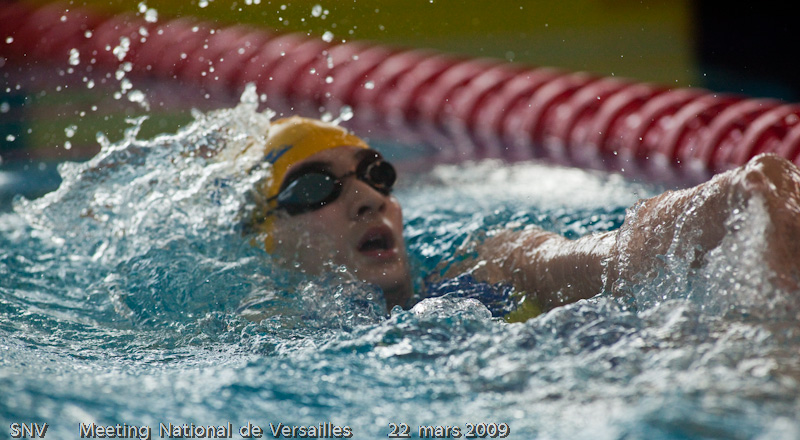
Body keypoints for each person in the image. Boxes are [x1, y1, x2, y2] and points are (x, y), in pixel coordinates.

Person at [239, 116, 800, 319]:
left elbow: (615, 256)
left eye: (376, 174)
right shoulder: (265, 340)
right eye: (314, 188)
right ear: (263, 236)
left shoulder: (494, 265)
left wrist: (726, 201)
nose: (368, 198)